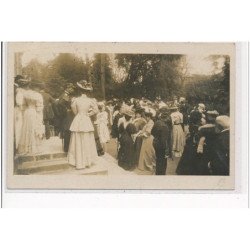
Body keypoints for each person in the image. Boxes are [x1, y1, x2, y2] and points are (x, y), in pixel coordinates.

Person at [67, 80, 99, 169]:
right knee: (86, 139)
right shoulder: (90, 100)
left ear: (80, 90)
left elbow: (74, 111)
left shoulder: (75, 100)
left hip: (78, 118)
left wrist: (79, 114)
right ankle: (87, 161)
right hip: (86, 119)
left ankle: (78, 161)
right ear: (86, 91)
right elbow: (96, 110)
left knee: (77, 139)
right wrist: (88, 114)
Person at [18, 82, 45, 155]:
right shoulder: (38, 95)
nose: (39, 89)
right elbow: (39, 108)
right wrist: (40, 117)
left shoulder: (25, 94)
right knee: (34, 128)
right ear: (36, 87)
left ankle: (26, 148)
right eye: (38, 88)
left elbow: (23, 105)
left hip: (27, 112)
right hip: (34, 112)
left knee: (26, 128)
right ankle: (33, 148)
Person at [151, 106, 172, 175]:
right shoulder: (165, 127)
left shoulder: (157, 122)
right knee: (162, 161)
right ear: (166, 118)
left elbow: (152, 132)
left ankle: (158, 172)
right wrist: (167, 151)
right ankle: (161, 174)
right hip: (161, 145)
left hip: (155, 143)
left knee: (158, 159)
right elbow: (164, 141)